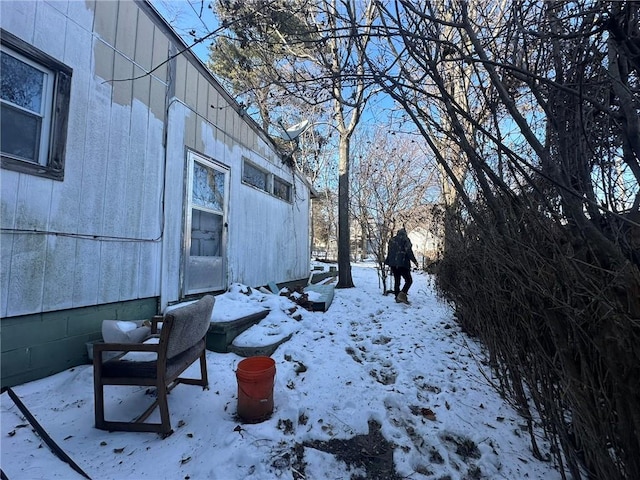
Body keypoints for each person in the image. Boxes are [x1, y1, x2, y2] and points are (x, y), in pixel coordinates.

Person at [384, 228, 419, 304]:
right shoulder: (405, 240)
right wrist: (415, 261)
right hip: (403, 264)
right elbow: (409, 251)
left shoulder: (392, 240)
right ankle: (402, 295)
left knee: (397, 280)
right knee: (409, 280)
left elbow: (390, 252)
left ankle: (397, 297)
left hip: (393, 264)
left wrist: (388, 261)